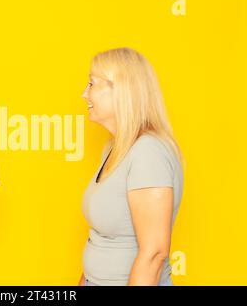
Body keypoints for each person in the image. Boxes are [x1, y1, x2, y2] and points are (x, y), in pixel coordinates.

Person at [78, 48, 184, 286]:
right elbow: (100, 240)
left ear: (120, 90)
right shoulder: (114, 148)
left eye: (92, 84)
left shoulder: (148, 152)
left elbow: (154, 254)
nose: (84, 94)